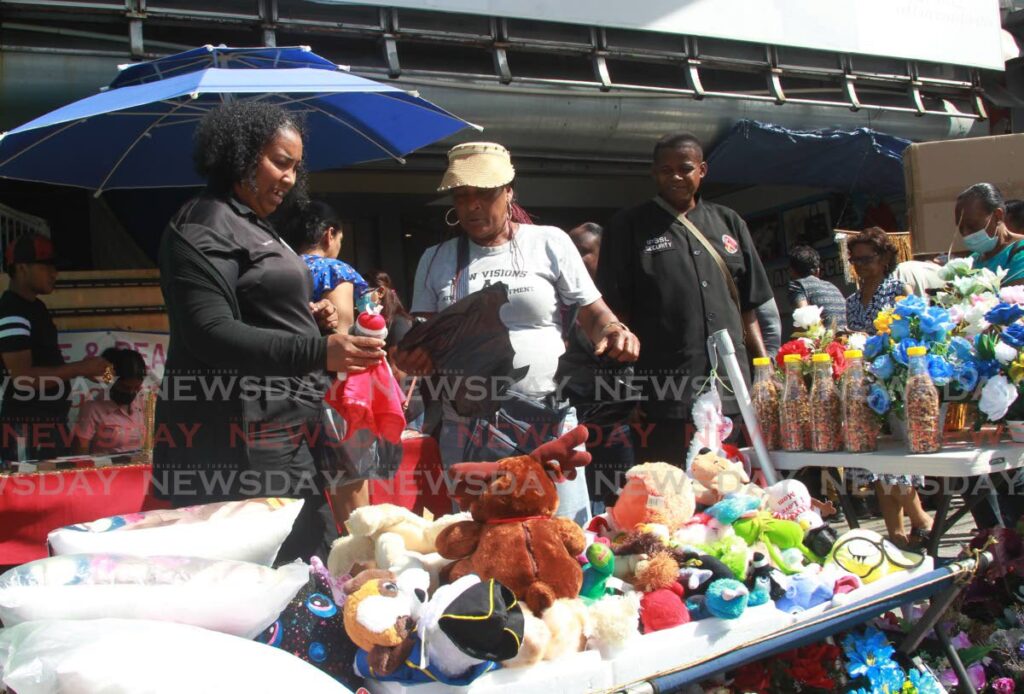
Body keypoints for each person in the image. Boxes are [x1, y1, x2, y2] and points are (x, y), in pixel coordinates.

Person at [154, 101, 386, 564]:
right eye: (280, 162)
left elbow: (255, 306)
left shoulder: (254, 223)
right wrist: (317, 350)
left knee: (312, 563)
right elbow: (210, 332)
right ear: (240, 155)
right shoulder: (203, 224)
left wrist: (304, 316)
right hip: (238, 445)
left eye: (296, 167)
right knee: (273, 575)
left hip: (286, 431)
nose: (290, 179)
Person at [398, 142, 639, 525]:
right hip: (468, 426)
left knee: (563, 530)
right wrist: (415, 354)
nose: (473, 206)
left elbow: (594, 312)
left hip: (548, 420)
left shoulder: (549, 242)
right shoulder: (437, 259)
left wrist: (613, 328)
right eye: (462, 196)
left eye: (485, 194)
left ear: (509, 191)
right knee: (484, 535)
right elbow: (425, 333)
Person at [597, 132, 773, 465]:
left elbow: (749, 308)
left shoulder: (729, 222)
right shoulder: (628, 227)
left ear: (702, 170)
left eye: (685, 168)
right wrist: (625, 392)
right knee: (672, 490)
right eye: (665, 170)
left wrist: (763, 371)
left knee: (738, 486)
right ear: (654, 173)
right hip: (664, 397)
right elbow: (615, 314)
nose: (675, 176)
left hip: (732, 390)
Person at [283, 199, 375, 531]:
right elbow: (345, 333)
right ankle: (357, 571)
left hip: (289, 395)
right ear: (329, 234)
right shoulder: (333, 270)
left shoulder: (280, 268)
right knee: (351, 496)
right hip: (336, 395)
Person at [0, 234, 111, 462]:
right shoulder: (11, 311)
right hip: (27, 429)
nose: (54, 273)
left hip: (49, 424)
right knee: (35, 494)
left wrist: (89, 370)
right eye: (46, 266)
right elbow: (23, 377)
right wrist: (80, 368)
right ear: (21, 267)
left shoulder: (35, 307)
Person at [564, 222, 634, 509]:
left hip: (622, 422)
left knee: (623, 500)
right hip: (574, 421)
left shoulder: (627, 296)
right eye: (571, 253)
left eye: (583, 252)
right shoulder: (559, 302)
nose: (575, 260)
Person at [285, 200, 369, 332]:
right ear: (329, 235)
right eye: (340, 240)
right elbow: (341, 338)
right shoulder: (334, 271)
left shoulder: (279, 264)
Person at [73, 348, 147, 455]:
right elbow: (79, 456)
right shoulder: (92, 409)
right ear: (110, 381)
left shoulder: (142, 402)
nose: (131, 392)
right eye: (125, 387)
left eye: (136, 387)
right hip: (105, 470)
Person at [844, 228, 914, 334]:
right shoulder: (851, 301)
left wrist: (872, 339)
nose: (860, 264)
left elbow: (914, 330)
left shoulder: (899, 290)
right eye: (855, 260)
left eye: (866, 259)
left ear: (885, 258)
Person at [955, 183, 1024, 285]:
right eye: (960, 228)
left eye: (972, 226)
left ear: (997, 216)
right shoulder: (972, 261)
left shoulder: (1020, 253)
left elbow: (1014, 296)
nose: (966, 234)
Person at [787, 245, 847, 330]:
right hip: (846, 339)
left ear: (791, 271)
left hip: (825, 340)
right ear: (817, 270)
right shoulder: (832, 286)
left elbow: (804, 318)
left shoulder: (797, 285)